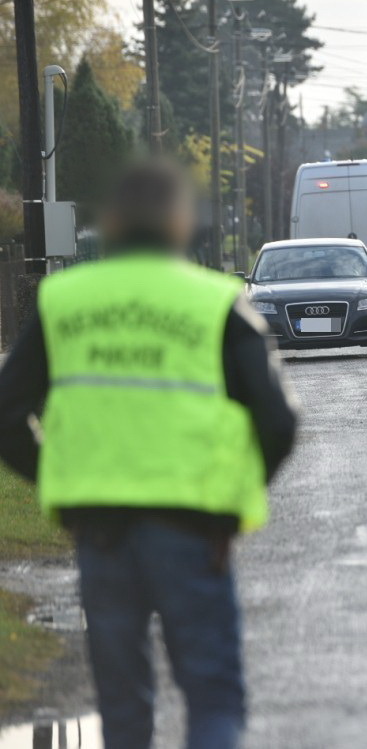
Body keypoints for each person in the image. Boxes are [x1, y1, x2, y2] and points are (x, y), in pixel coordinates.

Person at [0, 160, 297, 749]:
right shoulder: (217, 302)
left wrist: (63, 486)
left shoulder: (63, 300)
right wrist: (229, 505)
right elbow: (277, 420)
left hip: (101, 531)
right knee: (213, 697)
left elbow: (7, 413)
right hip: (192, 528)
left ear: (110, 223)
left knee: (125, 708)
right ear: (180, 223)